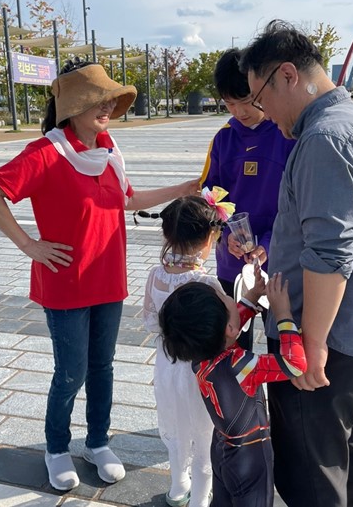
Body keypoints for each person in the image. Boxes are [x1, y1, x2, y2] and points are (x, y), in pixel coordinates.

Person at [0, 59, 199, 492]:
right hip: (65, 284)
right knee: (70, 373)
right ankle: (56, 448)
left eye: (110, 100)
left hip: (107, 280)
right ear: (73, 107)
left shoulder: (109, 152)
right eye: (98, 100)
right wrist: (29, 245)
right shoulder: (46, 153)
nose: (107, 107)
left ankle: (97, 442)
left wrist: (181, 189)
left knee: (102, 368)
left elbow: (128, 200)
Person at [239, 20, 353, 507]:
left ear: (287, 75)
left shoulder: (323, 139)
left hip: (326, 341)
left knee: (312, 476)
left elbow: (330, 253)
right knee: (351, 460)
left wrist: (309, 346)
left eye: (260, 98)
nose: (264, 113)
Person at [159, 273, 307, 507]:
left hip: (221, 448)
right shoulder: (240, 365)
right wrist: (283, 315)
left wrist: (253, 296)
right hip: (250, 456)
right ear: (228, 327)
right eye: (226, 298)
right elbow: (295, 364)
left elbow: (229, 326)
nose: (231, 299)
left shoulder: (199, 354)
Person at [137, 191, 233, 507]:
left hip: (167, 366)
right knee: (204, 436)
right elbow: (226, 330)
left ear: (167, 235)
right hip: (199, 372)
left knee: (177, 429)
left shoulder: (156, 276)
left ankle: (178, 489)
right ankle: (200, 499)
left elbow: (150, 322)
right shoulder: (208, 284)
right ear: (208, 239)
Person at [200, 48, 296, 350]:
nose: (239, 111)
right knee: (234, 345)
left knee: (280, 346)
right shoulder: (224, 139)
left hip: (278, 264)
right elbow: (210, 195)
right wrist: (225, 233)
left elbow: (296, 204)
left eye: (246, 101)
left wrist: (267, 243)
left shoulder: (285, 135)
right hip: (233, 265)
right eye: (230, 103)